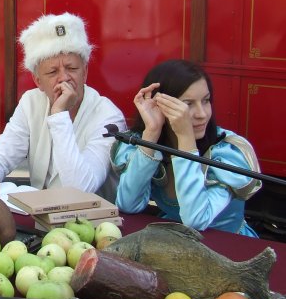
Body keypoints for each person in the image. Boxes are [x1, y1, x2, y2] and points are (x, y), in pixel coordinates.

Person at [0, 13, 125, 200]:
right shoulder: (31, 102)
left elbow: (80, 189)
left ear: (85, 72)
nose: (64, 78)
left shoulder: (108, 117)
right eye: (52, 72)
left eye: (72, 68)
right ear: (37, 81)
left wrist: (59, 115)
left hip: (93, 223)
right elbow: (3, 151)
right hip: (42, 216)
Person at [111, 59, 262, 236]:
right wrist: (151, 133)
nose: (202, 114)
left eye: (206, 101)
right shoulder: (147, 141)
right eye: (188, 104)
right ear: (159, 106)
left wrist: (185, 140)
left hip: (230, 248)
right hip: (177, 245)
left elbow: (197, 220)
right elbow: (128, 205)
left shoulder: (227, 151)